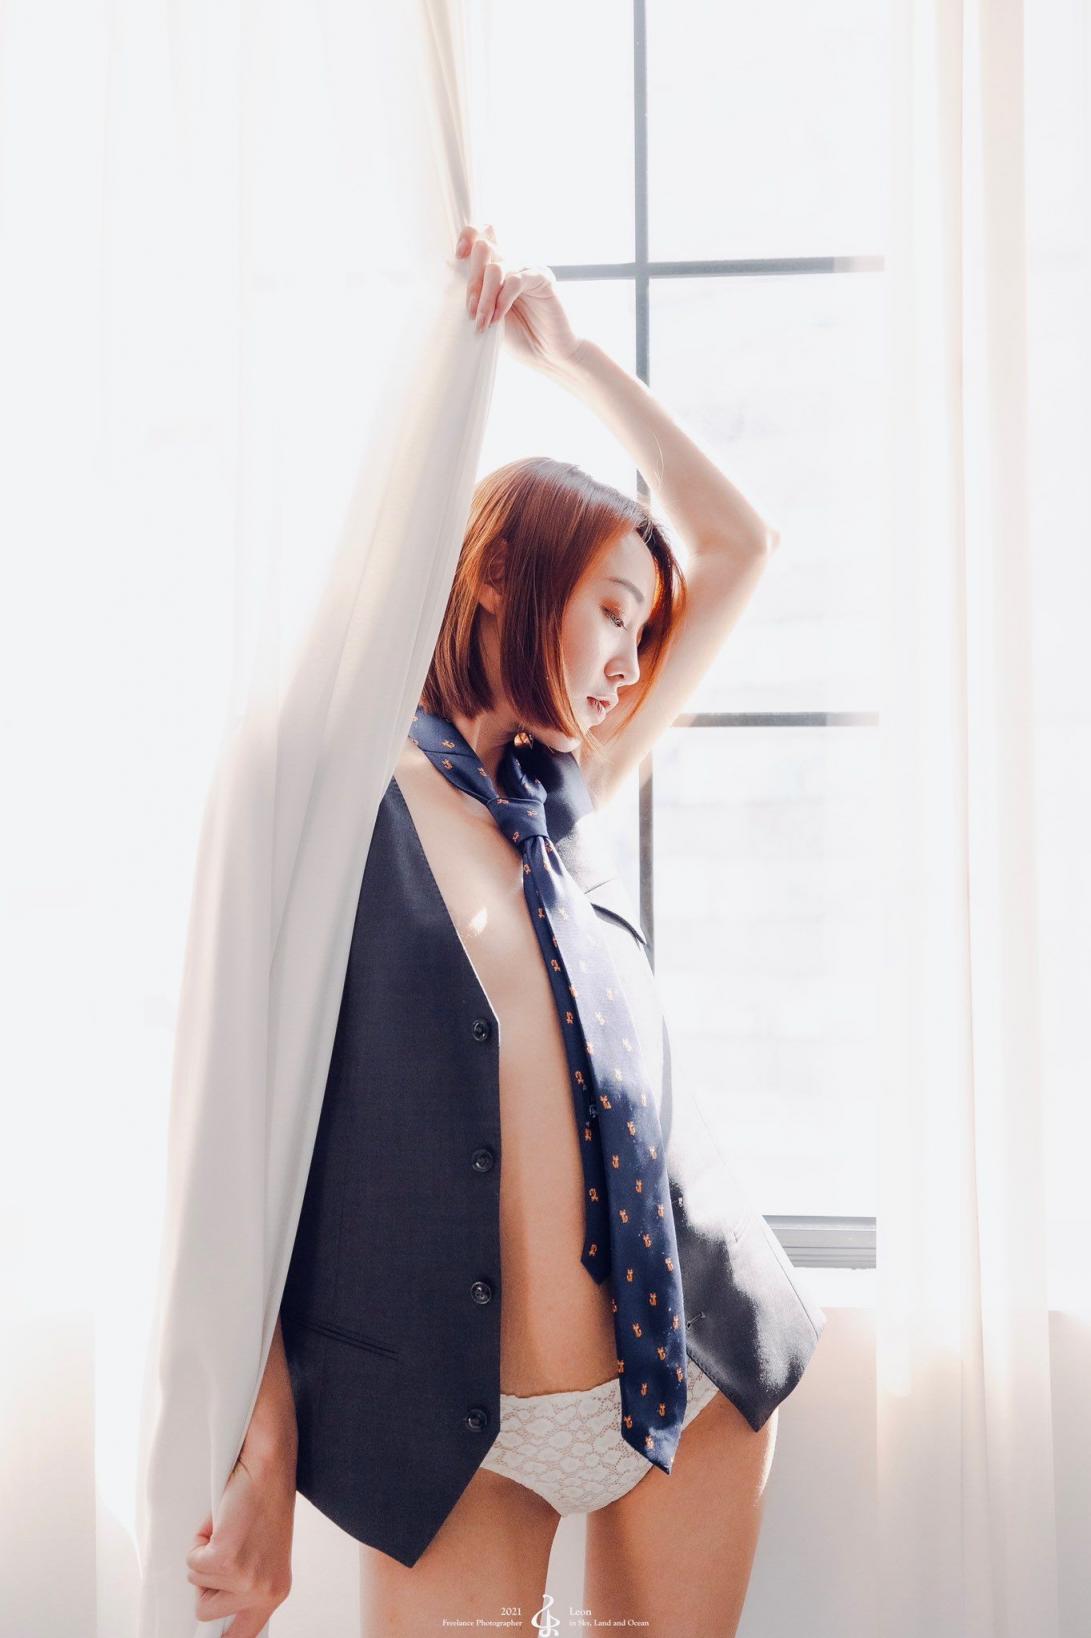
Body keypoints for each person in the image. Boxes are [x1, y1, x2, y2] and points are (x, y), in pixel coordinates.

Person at [184, 223, 816, 1638]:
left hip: (686, 1362)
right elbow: (241, 1152)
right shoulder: (329, 801)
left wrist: (577, 359)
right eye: (611, 611)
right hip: (449, 1418)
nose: (629, 664)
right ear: (493, 578)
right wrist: (262, 1439)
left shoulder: (567, 793)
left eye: (643, 633)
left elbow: (744, 544)